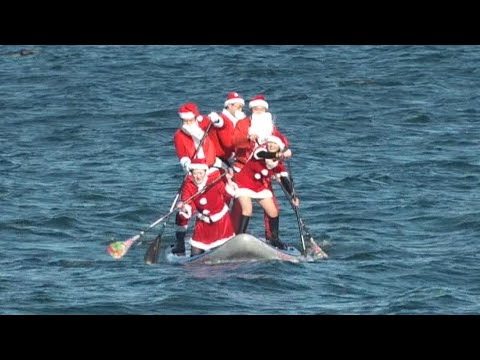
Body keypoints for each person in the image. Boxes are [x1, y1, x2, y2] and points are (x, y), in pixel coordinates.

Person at [231, 94, 292, 241]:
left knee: (272, 208)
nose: (259, 111)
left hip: (264, 173)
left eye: (262, 109)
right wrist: (247, 138)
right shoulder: (244, 124)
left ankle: (272, 238)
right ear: (251, 110)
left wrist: (283, 154)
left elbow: (280, 144)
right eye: (256, 109)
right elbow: (234, 141)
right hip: (243, 169)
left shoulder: (271, 128)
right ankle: (234, 237)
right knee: (242, 209)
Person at [233, 136, 298, 250]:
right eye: (270, 143)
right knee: (247, 209)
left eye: (274, 144)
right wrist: (281, 155)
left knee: (273, 212)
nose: (271, 145)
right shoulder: (261, 150)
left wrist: (293, 196)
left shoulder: (278, 164)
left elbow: (284, 180)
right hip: (243, 183)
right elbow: (266, 155)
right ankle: (238, 238)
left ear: (279, 147)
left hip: (259, 187)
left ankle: (274, 239)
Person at [172, 102, 220, 255]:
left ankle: (215, 239)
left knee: (214, 206)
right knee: (184, 208)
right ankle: (180, 242)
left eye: (189, 120)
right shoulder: (179, 134)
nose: (187, 124)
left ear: (195, 117)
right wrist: (186, 162)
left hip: (212, 172)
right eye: (184, 121)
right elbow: (182, 153)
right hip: (193, 173)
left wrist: (217, 119)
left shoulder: (204, 123)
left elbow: (219, 126)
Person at [176, 158, 236, 256]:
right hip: (202, 224)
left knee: (221, 252)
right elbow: (189, 203)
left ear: (205, 172)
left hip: (221, 222)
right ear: (191, 173)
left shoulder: (214, 181)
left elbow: (228, 195)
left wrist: (229, 180)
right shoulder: (189, 185)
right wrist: (183, 207)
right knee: (195, 253)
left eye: (200, 173)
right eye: (195, 173)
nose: (198, 176)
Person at [207, 91, 247, 169]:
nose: (240, 110)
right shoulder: (224, 119)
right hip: (220, 159)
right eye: (238, 107)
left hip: (230, 158)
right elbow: (221, 124)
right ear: (229, 105)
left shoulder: (237, 121)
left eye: (242, 107)